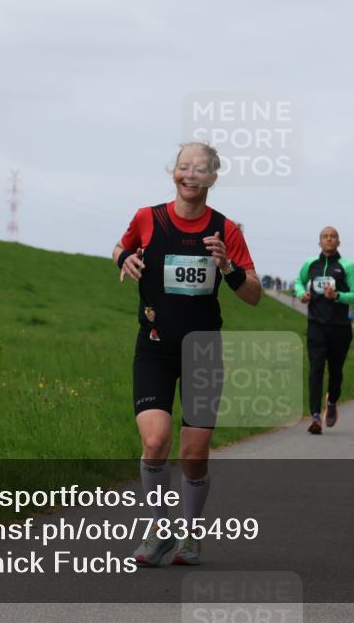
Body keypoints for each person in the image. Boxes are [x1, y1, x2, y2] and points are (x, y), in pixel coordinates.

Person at [114, 141, 261, 566]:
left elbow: (254, 295)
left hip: (203, 351)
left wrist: (228, 268)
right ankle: (160, 531)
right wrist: (124, 259)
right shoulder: (147, 217)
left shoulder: (226, 230)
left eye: (200, 169)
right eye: (184, 166)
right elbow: (120, 248)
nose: (190, 174)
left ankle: (192, 535)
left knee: (194, 455)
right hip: (154, 346)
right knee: (155, 440)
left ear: (213, 177)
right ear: (173, 172)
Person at [294, 227, 354, 434]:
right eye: (325, 236)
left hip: (340, 327)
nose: (329, 239)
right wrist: (301, 294)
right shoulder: (310, 264)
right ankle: (315, 416)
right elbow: (298, 282)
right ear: (320, 242)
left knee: (335, 372)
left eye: (333, 236)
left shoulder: (347, 266)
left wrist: (338, 296)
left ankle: (331, 401)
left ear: (338, 242)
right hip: (316, 325)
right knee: (315, 369)